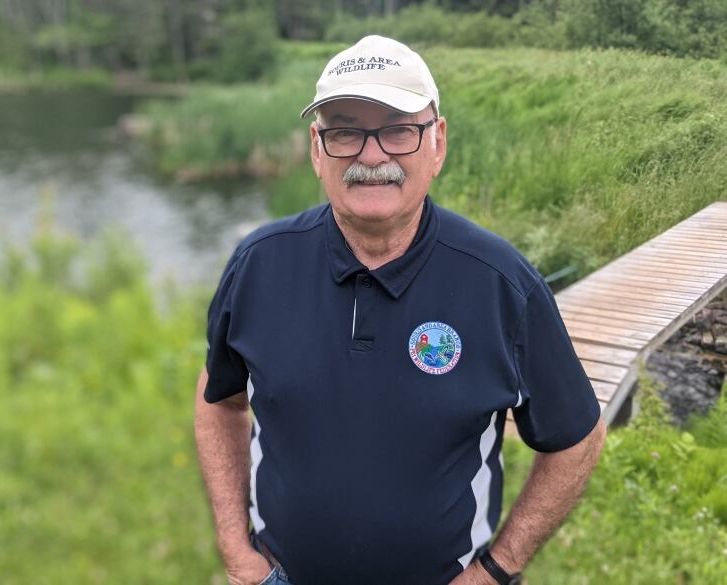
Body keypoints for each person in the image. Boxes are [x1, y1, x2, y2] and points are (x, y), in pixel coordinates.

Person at [194, 35, 606, 585]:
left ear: (437, 142)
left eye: (397, 130)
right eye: (344, 131)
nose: (371, 155)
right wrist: (232, 542)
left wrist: (496, 570)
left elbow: (578, 436)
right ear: (317, 150)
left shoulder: (501, 283)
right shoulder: (258, 265)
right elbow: (218, 399)